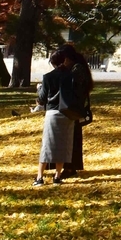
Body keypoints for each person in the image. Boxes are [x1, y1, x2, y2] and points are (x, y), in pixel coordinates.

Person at [33, 48, 78, 186]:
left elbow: (42, 99)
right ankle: (57, 176)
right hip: (67, 113)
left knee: (47, 145)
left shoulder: (48, 77)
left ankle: (40, 177)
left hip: (52, 112)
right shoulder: (71, 76)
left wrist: (39, 89)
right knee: (64, 145)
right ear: (64, 60)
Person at [59, 44, 94, 175]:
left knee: (72, 137)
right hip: (74, 108)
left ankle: (70, 166)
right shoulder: (78, 67)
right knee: (72, 137)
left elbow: (74, 88)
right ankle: (70, 165)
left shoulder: (77, 69)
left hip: (74, 109)